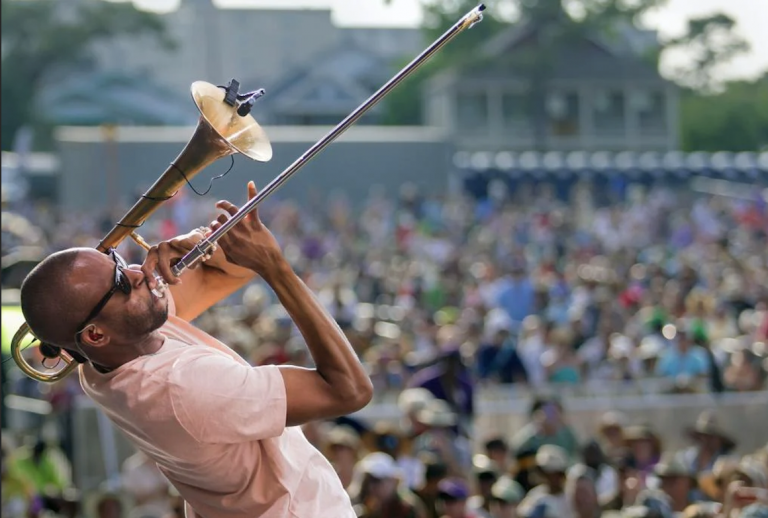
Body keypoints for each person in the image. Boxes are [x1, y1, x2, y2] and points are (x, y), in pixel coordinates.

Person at [18, 182, 374, 517]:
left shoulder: (106, 355)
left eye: (119, 262)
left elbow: (231, 273)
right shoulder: (186, 385)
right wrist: (276, 268)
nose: (138, 272)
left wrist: (199, 244)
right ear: (95, 335)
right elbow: (350, 390)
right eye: (121, 282)